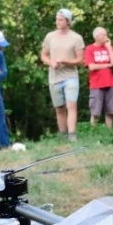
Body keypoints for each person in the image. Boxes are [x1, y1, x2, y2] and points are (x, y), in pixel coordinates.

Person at [40, 8, 85, 143]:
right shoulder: (50, 36)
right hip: (54, 77)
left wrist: (65, 61)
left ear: (68, 21)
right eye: (56, 19)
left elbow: (80, 60)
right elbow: (44, 55)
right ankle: (63, 135)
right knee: (59, 107)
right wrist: (51, 63)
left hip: (71, 76)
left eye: (60, 19)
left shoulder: (76, 38)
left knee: (71, 105)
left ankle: (72, 135)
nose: (57, 22)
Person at [85, 26, 113, 128]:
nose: (106, 36)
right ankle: (94, 132)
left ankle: (109, 134)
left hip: (110, 82)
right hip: (96, 84)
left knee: (110, 111)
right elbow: (91, 67)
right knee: (95, 111)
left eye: (106, 34)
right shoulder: (90, 49)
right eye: (103, 34)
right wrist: (107, 65)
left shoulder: (110, 48)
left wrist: (109, 47)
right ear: (97, 37)